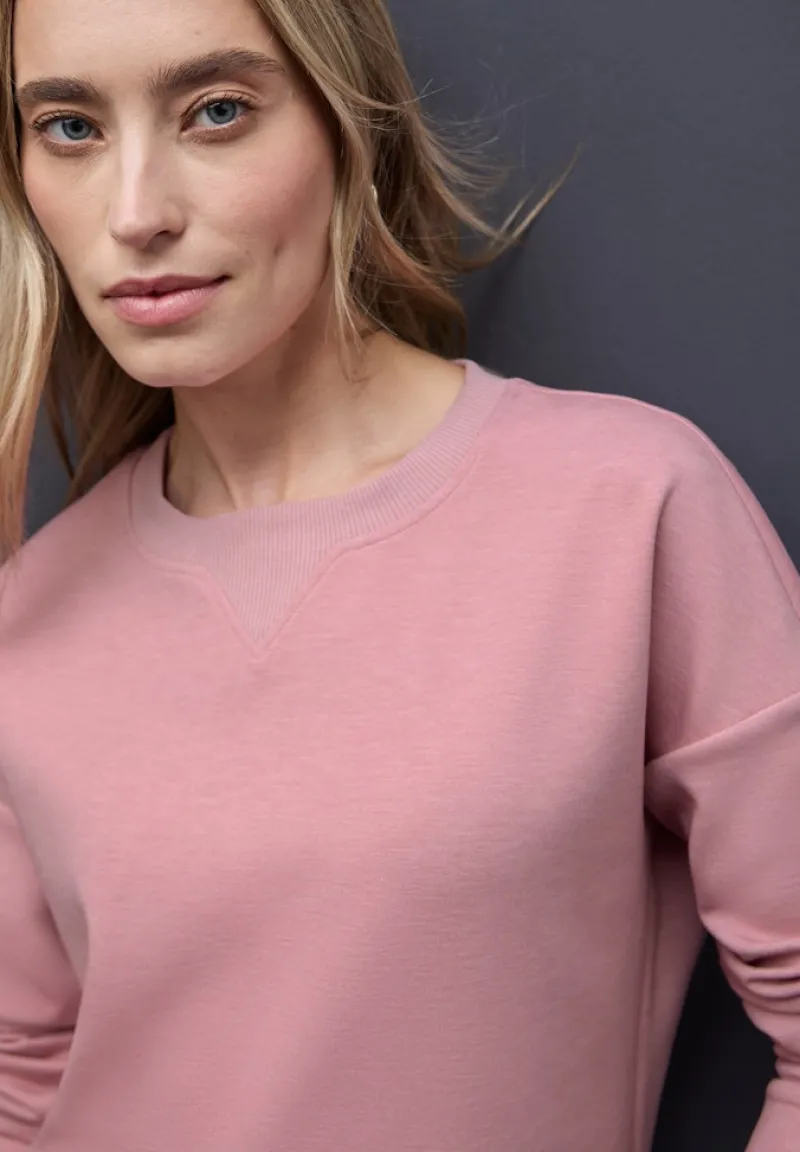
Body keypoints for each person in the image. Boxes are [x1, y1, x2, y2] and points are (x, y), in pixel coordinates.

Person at [0, 0, 798, 1149]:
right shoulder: (32, 610)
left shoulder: (625, 509)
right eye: (70, 127)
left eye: (215, 111)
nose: (135, 213)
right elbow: (23, 1083)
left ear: (347, 125)